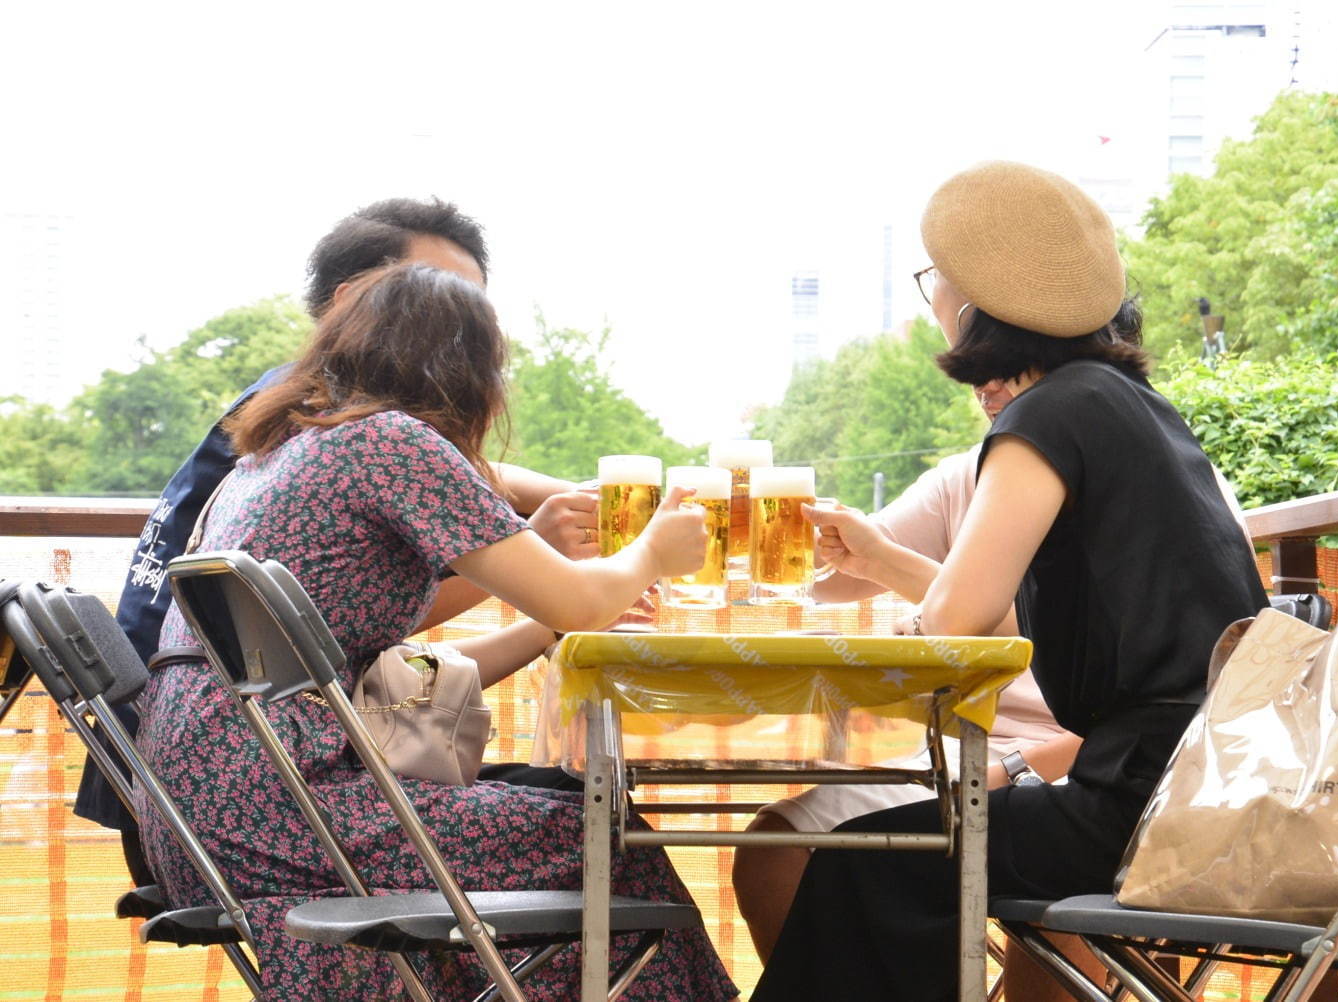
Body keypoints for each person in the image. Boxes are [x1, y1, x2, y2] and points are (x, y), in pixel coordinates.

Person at [134, 262, 739, 1001]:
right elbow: (583, 604)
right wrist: (655, 552)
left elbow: (391, 659)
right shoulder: (389, 441)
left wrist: (547, 607)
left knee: (568, 815)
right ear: (465, 370)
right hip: (284, 810)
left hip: (200, 810)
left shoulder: (279, 451)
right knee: (605, 846)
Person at [749, 161, 1266, 1002]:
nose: (936, 303)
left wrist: (895, 620)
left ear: (978, 304)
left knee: (867, 865)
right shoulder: (1129, 404)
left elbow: (960, 616)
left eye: (936, 283)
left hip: (1137, 799)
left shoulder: (1046, 417)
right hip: (1213, 781)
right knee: (890, 858)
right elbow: (991, 613)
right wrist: (883, 560)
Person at [76, 197, 601, 885]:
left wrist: (558, 521)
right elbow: (350, 610)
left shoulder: (297, 413)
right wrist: (547, 558)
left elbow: (358, 606)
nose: (461, 326)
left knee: (569, 812)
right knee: (598, 837)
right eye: (436, 297)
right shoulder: (358, 432)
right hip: (253, 766)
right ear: (357, 298)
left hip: (197, 752)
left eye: (471, 305)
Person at [730, 386, 1077, 962]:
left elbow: (1176, 698)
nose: (987, 383)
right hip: (955, 754)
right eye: (974, 358)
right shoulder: (967, 477)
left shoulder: (1150, 490)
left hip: (1072, 770)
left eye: (1009, 359)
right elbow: (845, 574)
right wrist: (810, 537)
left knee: (1056, 885)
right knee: (774, 847)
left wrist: (1011, 768)